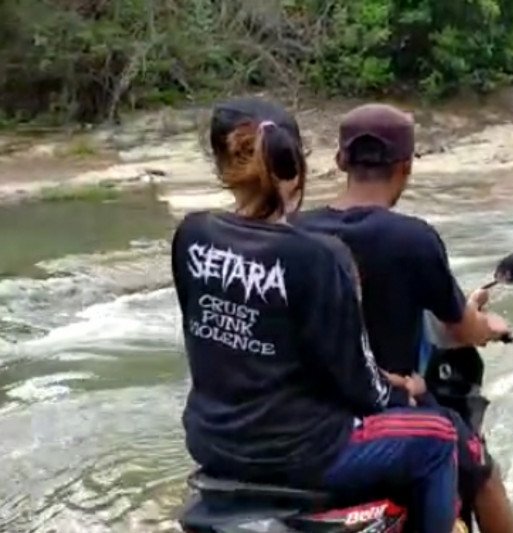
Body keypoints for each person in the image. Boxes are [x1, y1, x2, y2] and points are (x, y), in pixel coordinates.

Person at [170, 97, 460, 533]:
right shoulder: (319, 256)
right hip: (304, 452)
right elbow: (361, 385)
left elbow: (215, 342)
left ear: (221, 163)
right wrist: (406, 390)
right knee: (440, 438)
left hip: (212, 443)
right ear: (297, 163)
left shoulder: (191, 235)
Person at [292, 103, 513, 533]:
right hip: (387, 410)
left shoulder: (292, 230)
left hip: (305, 417)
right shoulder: (412, 238)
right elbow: (459, 326)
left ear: (341, 160)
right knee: (482, 473)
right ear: (406, 166)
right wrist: (486, 327)